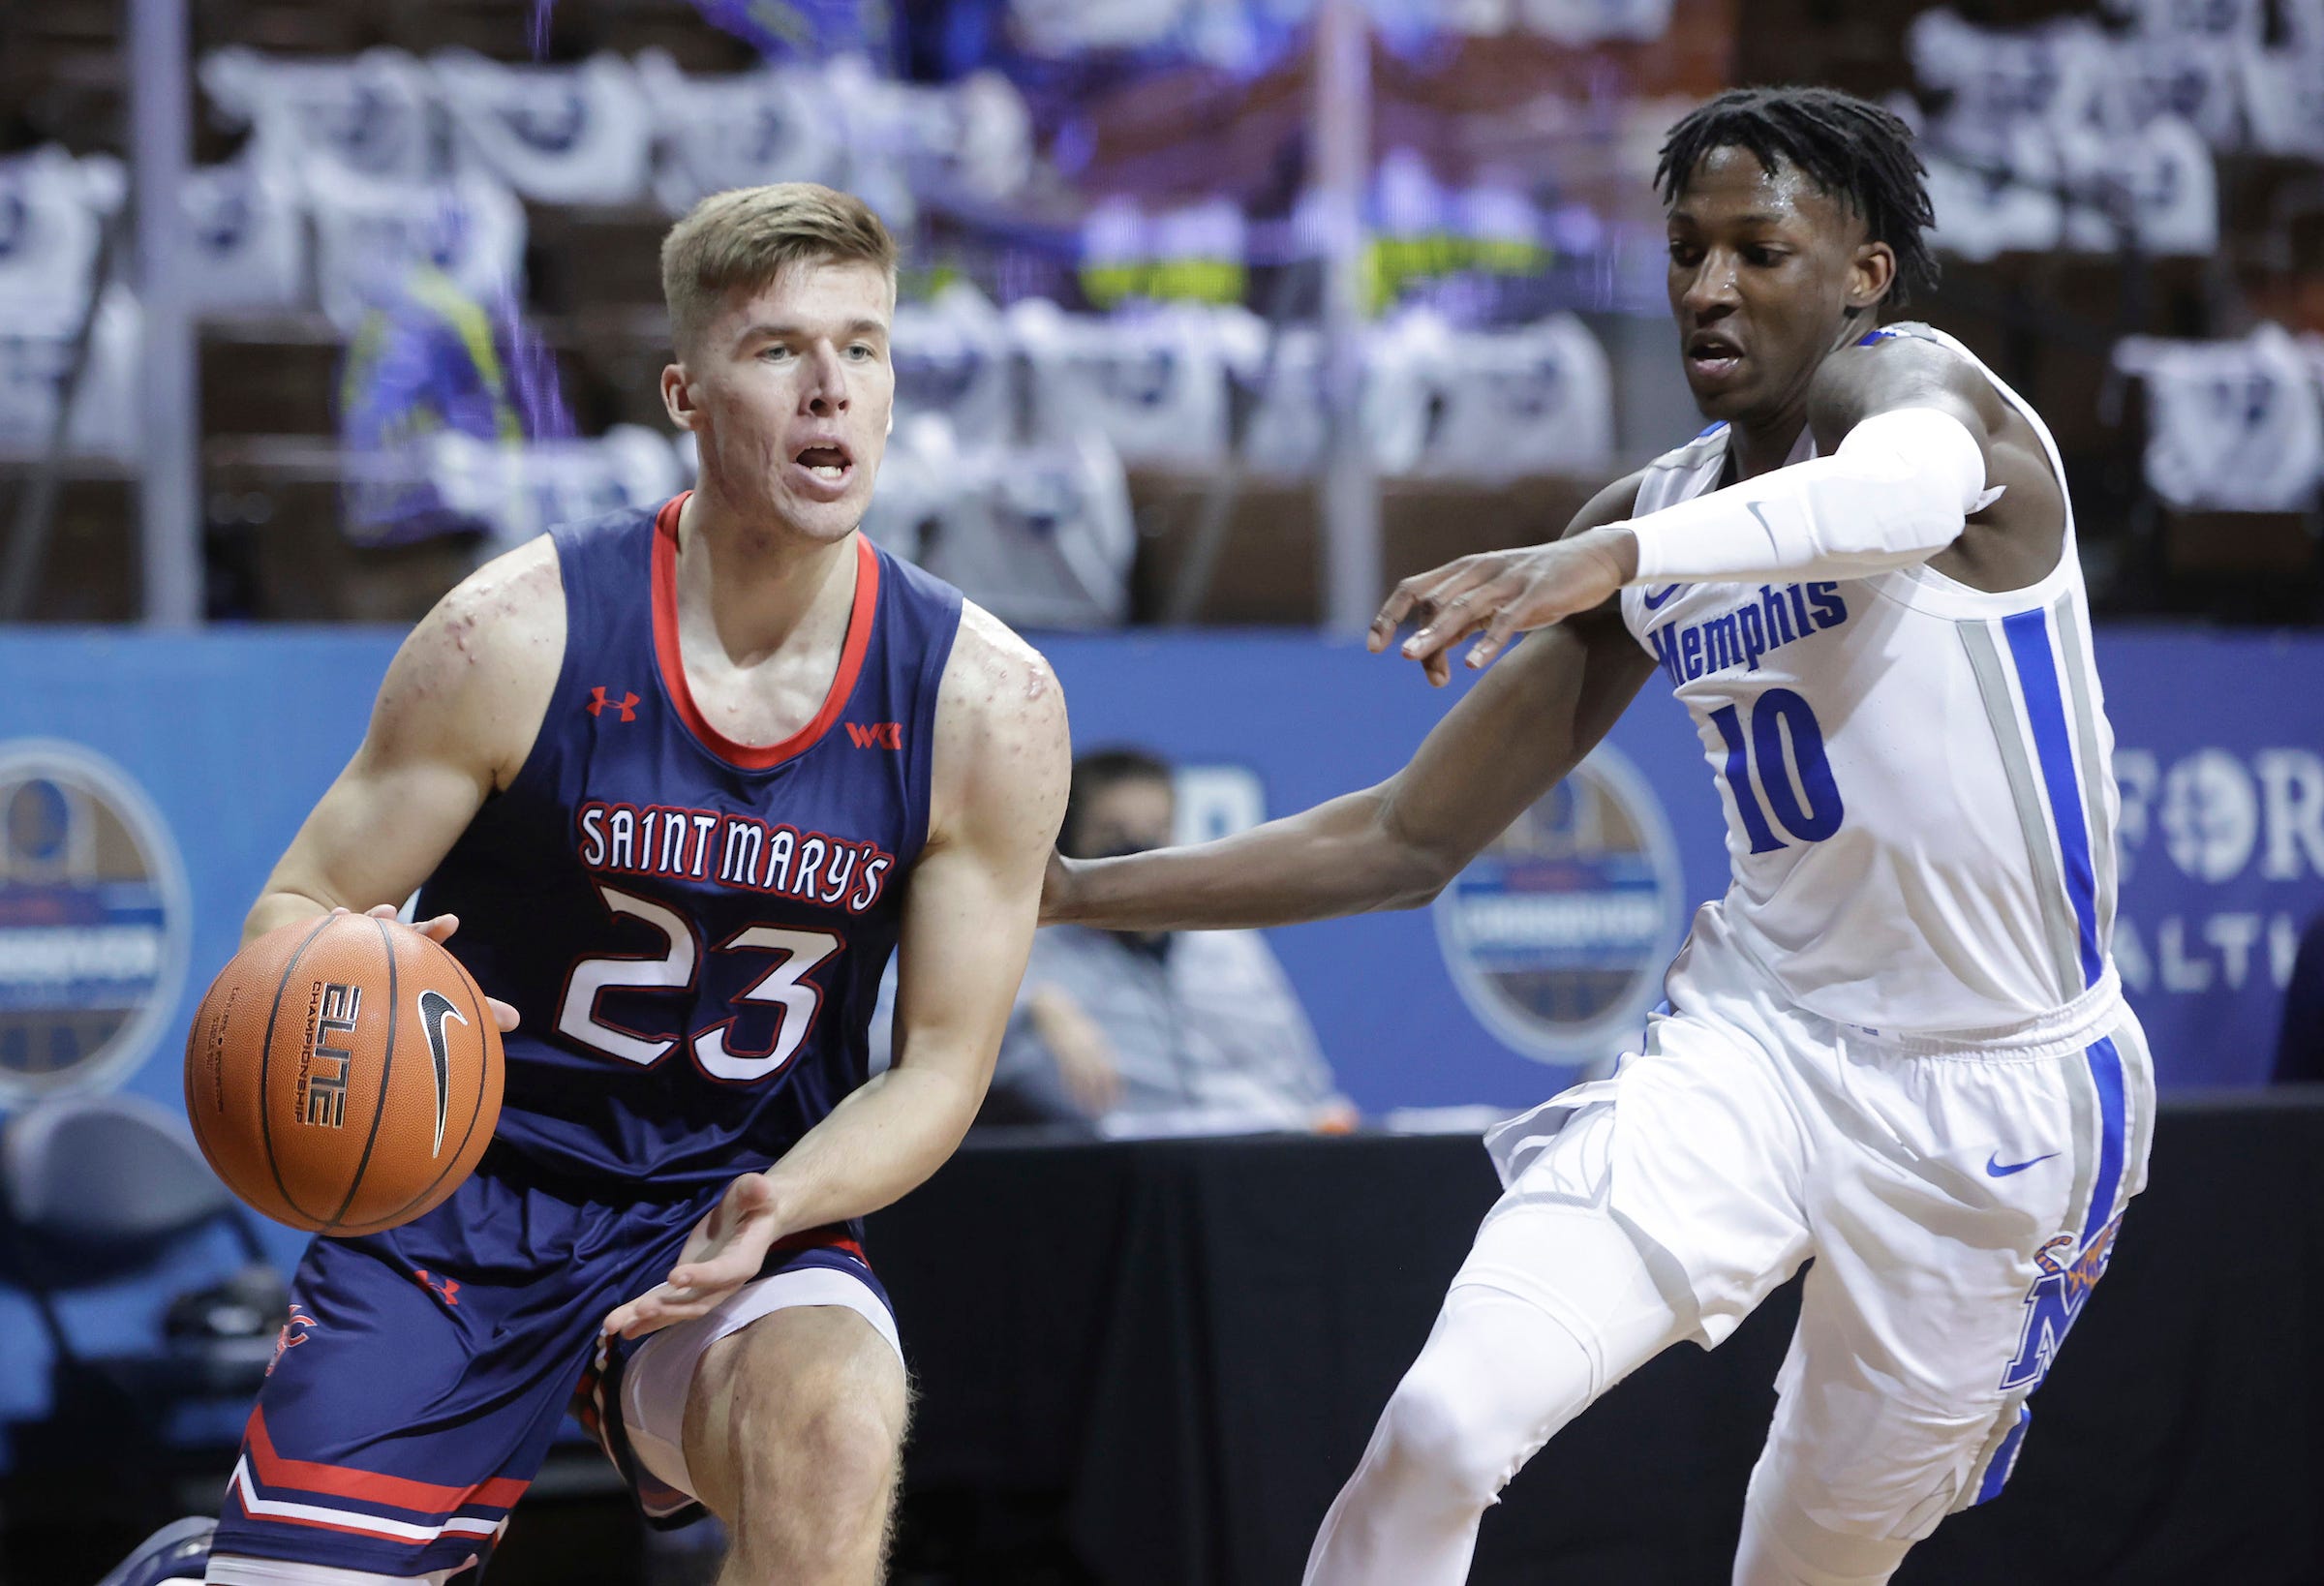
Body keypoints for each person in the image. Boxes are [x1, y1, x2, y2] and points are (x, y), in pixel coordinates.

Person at [1041, 87, 2152, 1586]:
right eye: (1686, 249)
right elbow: (1397, 838)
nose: (1707, 286)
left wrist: (1607, 556)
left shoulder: (1934, 404)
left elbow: (1884, 502)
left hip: (2001, 1097)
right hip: (1760, 1043)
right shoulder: (1668, 509)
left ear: (1866, 273)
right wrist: (1061, 891)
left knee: (1804, 1565)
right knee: (1441, 1423)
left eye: (1759, 250)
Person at [108, 182, 1070, 1586]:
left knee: (835, 1432)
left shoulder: (983, 698)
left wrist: (778, 1202)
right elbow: (295, 907)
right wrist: (366, 984)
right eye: (778, 350)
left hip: (728, 1201)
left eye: (862, 349)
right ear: (685, 389)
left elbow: (940, 1066)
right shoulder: (514, 633)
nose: (829, 390)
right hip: (460, 1200)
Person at [985, 747, 1350, 1131]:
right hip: (1119, 1167)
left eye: (1157, 832)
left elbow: (1311, 1086)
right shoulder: (1029, 953)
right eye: (1114, 834)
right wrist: (1037, 1005)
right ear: (1071, 843)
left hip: (1260, 1152)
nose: (1139, 851)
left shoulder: (1226, 941)